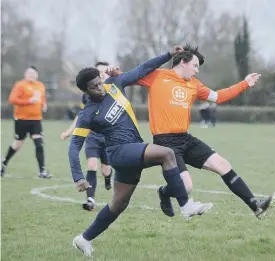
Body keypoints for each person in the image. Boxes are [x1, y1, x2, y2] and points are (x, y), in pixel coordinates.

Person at [70, 47, 212, 257]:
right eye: (94, 87)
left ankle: (83, 239)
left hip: (133, 148)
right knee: (167, 154)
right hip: (119, 152)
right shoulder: (87, 114)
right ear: (86, 91)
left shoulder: (114, 84)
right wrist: (78, 177)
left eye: (100, 82)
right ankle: (186, 205)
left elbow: (143, 68)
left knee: (118, 204)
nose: (100, 89)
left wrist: (168, 55)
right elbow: (74, 146)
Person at [136, 44, 275, 219]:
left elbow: (218, 97)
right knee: (186, 187)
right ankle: (164, 193)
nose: (196, 70)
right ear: (182, 62)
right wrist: (111, 75)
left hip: (185, 139)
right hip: (165, 142)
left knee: (223, 165)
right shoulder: (158, 76)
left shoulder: (194, 85)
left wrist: (245, 83)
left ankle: (255, 205)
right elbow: (131, 76)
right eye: (195, 65)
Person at [61, 62, 114, 211]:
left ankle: (108, 177)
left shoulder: (113, 89)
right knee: (92, 165)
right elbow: (82, 117)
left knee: (105, 170)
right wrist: (70, 131)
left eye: (104, 72)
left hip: (108, 138)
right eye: (100, 71)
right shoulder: (88, 95)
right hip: (92, 137)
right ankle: (90, 199)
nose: (102, 74)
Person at [1, 66, 51, 178]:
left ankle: (42, 171)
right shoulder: (20, 85)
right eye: (30, 73)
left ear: (37, 75)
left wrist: (44, 104)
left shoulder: (40, 85)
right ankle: (4, 163)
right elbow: (12, 99)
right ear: (25, 74)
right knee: (18, 144)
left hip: (36, 120)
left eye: (34, 73)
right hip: (21, 120)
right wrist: (29, 101)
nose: (32, 75)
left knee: (39, 143)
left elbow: (42, 98)